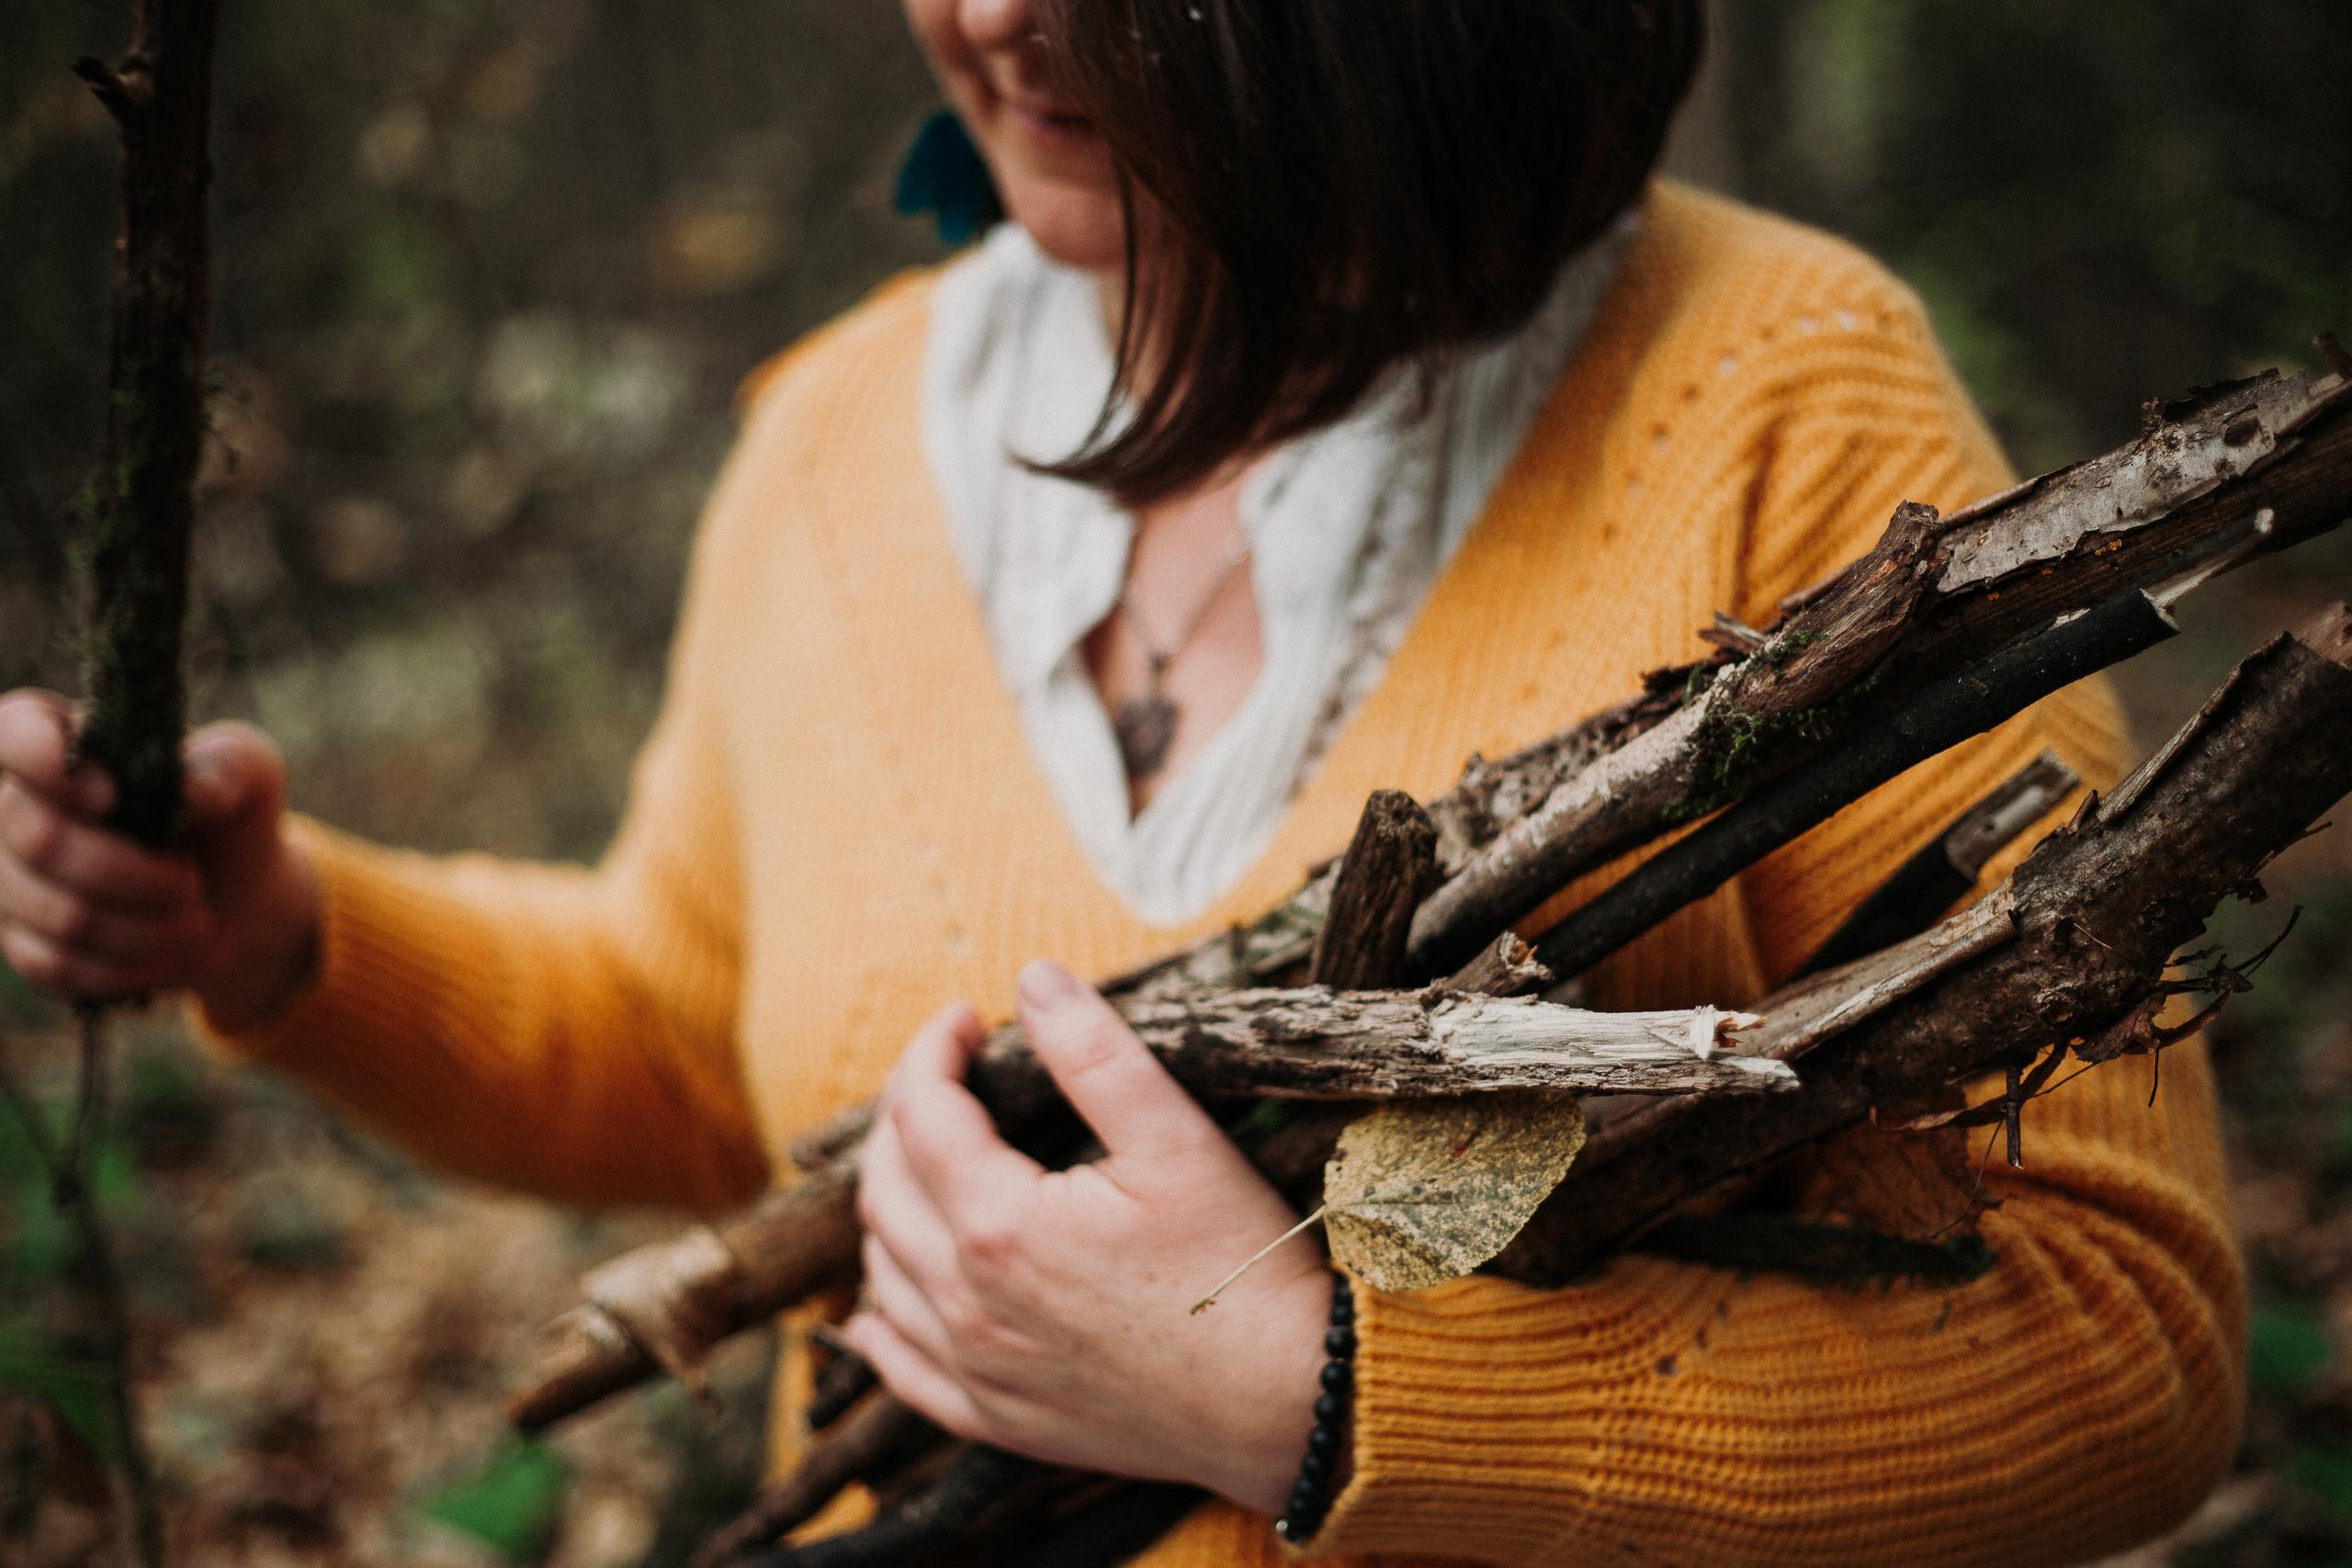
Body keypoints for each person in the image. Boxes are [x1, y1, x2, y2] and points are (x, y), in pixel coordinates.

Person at [0, 2, 2244, 1562]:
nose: (989, 14)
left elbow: (2110, 1344)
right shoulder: (834, 437)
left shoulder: (1772, 400)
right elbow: (714, 1063)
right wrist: (281, 937)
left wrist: (1305, 1391)